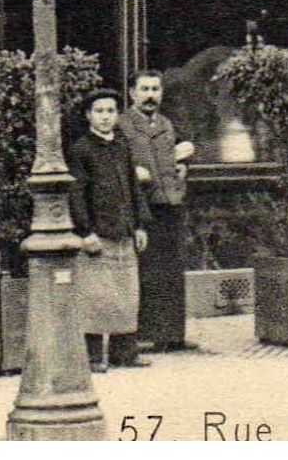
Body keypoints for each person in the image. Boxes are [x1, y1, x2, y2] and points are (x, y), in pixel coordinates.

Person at [66, 89, 151, 373]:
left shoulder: (122, 145)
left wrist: (139, 224)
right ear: (89, 115)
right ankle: (91, 356)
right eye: (99, 111)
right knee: (94, 296)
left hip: (123, 229)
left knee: (126, 294)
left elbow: (133, 187)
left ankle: (124, 352)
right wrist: (85, 231)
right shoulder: (81, 149)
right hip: (98, 233)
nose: (106, 117)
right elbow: (76, 193)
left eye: (111, 111)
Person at [122, 69, 196, 354]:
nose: (151, 95)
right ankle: (146, 334)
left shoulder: (167, 123)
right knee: (146, 271)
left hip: (171, 203)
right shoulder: (122, 125)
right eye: (145, 89)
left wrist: (184, 167)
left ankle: (173, 335)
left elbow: (182, 153)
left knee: (172, 270)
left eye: (155, 89)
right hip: (142, 206)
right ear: (132, 93)